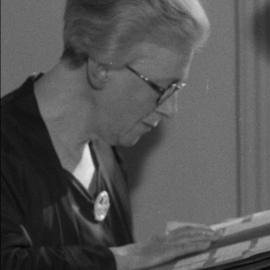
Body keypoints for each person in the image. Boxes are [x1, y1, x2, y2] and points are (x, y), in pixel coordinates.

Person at [1, 0, 219, 269]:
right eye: (163, 88)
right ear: (100, 69)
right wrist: (127, 258)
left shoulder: (105, 153)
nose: (170, 110)